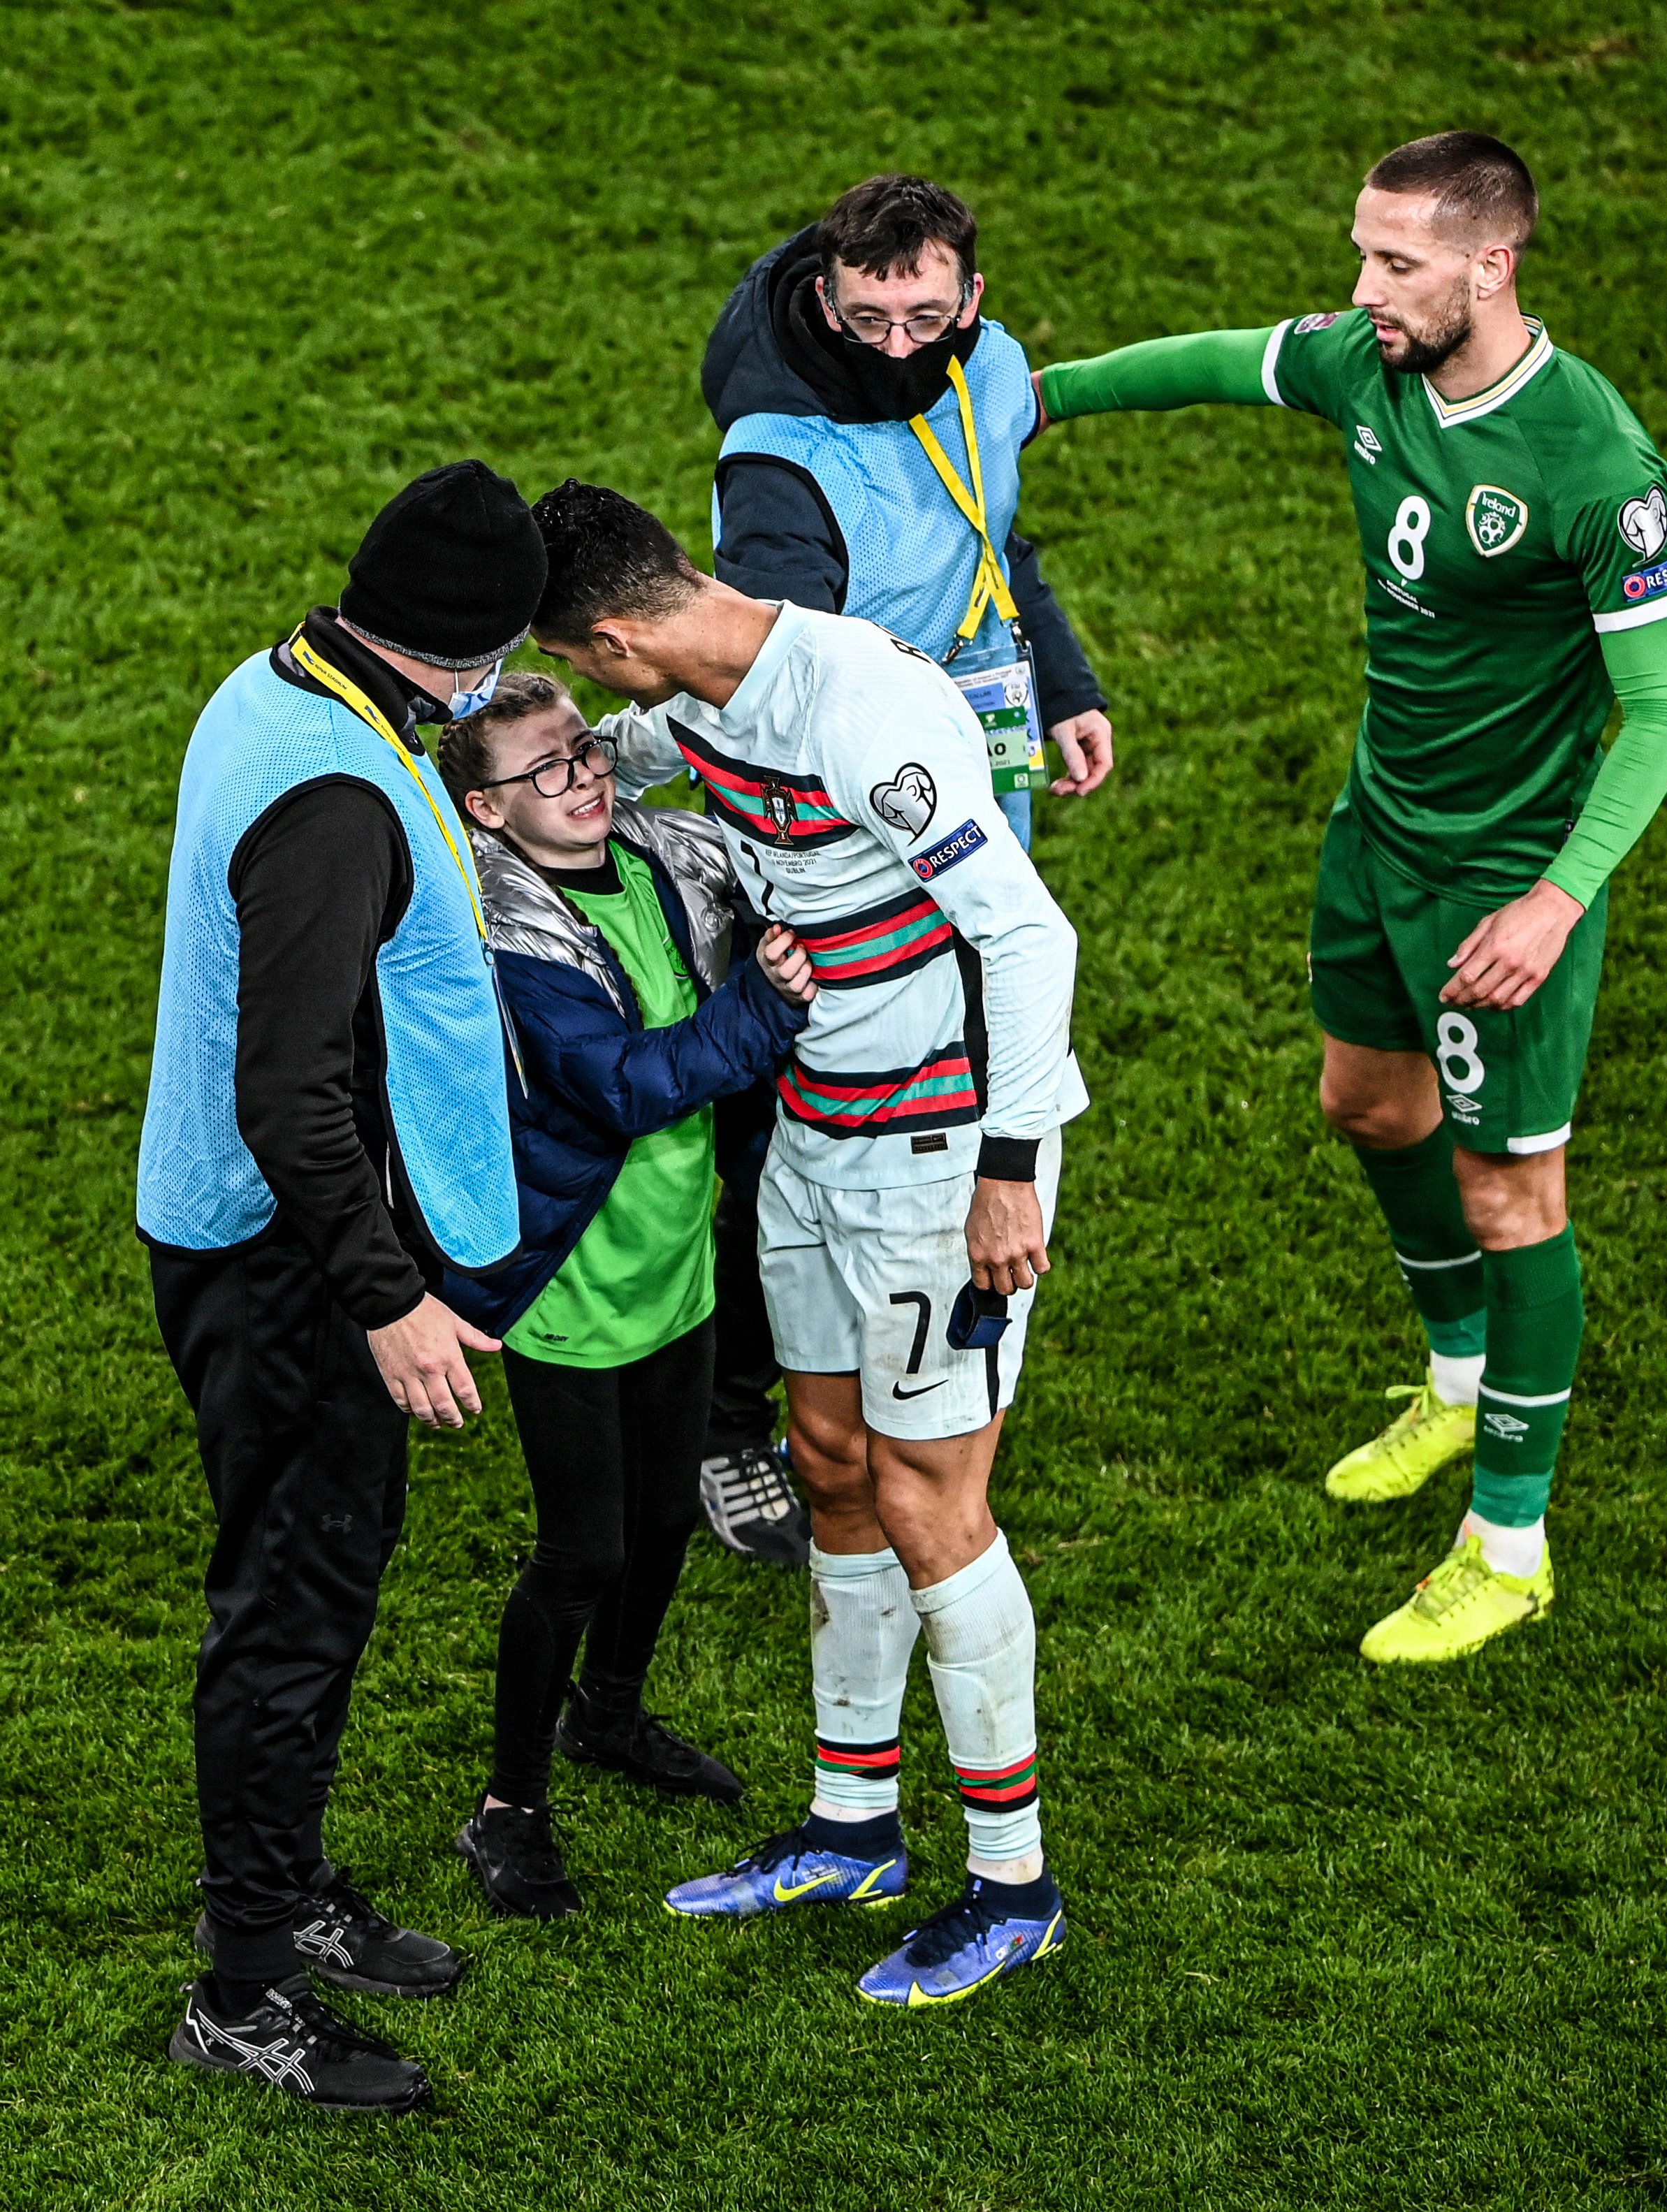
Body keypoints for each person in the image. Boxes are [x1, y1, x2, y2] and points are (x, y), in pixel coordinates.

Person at [1033, 132, 1667, 1661]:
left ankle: (1511, 1540)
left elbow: (1663, 709)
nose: (1361, 291)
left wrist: (1553, 901)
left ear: (1494, 265)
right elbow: (1218, 361)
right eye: (1362, 253)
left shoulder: (1591, 460)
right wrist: (1033, 400)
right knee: (1364, 1104)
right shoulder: (1372, 365)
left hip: (1503, 878)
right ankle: (1457, 1382)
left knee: (1509, 1194)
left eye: (1396, 264)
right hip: (1377, 832)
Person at [528, 478, 1087, 2008]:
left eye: (584, 667)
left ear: (624, 633)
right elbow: (611, 763)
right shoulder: (699, 701)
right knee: (829, 1461)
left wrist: (1009, 1171)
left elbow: (1031, 934)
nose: (596, 699)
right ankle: (853, 1822)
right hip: (816, 1135)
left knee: (930, 1501)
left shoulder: (858, 710)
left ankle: (1012, 1880)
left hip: (937, 1159)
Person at [137, 461, 548, 2111]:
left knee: (323, 1574)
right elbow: (289, 1094)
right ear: (480, 652)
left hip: (264, 1242)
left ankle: (290, 1887)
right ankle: (240, 1987)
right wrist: (384, 1295)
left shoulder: (288, 677)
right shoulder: (341, 806)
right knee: (291, 1616)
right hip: (287, 1270)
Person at [696, 173, 1114, 1561]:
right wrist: (843, 856)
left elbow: (989, 521)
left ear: (970, 302)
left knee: (959, 1032)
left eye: (923, 316)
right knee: (793, 1108)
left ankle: (920, 1349)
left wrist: (1055, 672)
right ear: (823, 288)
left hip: (954, 771)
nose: (896, 346)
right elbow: (782, 683)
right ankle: (728, 1406)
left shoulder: (980, 365)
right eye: (868, 317)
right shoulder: (772, 464)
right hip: (839, 824)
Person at [434, 674, 814, 1918]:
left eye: (585, 749)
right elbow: (631, 1085)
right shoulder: (510, 936)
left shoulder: (653, 851)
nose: (585, 776)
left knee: (661, 1523)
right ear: (487, 811)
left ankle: (608, 1716)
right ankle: (507, 1806)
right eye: (545, 770)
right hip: (568, 1289)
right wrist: (764, 1003)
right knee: (582, 1546)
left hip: (677, 1267)